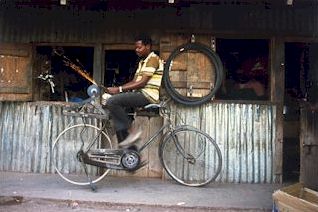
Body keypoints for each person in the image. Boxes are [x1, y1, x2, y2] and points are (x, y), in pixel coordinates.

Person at [104, 34, 163, 149]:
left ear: (148, 46)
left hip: (148, 95)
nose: (137, 50)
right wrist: (118, 90)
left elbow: (142, 83)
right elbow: (134, 82)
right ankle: (129, 151)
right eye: (136, 47)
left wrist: (119, 89)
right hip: (140, 94)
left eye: (139, 47)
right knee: (116, 114)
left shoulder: (153, 59)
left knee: (112, 102)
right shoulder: (142, 62)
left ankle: (132, 132)